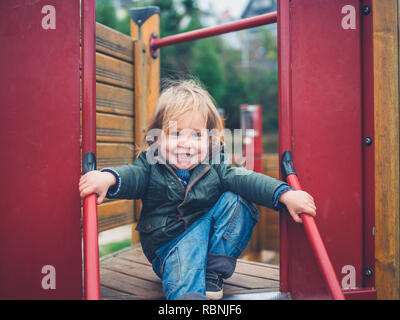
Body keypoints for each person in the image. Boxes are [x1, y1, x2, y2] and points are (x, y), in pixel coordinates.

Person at [78, 78, 317, 300]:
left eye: (196, 135)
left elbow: (246, 178)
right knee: (187, 263)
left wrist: (284, 193)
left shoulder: (216, 165)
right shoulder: (151, 165)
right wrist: (108, 178)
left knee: (238, 200)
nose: (186, 142)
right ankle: (189, 294)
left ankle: (212, 273)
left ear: (210, 141)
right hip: (169, 247)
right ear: (159, 138)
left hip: (208, 241)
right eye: (176, 133)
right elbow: (133, 176)